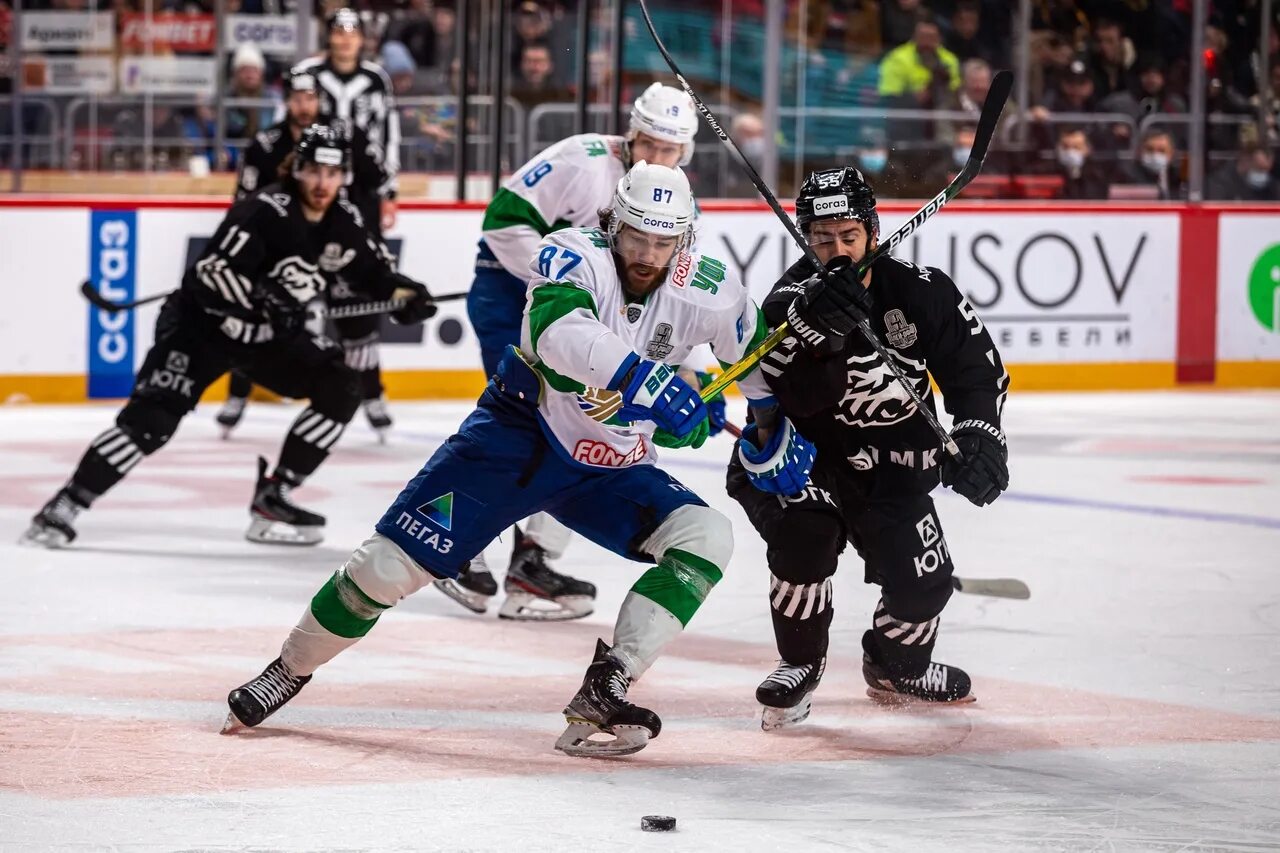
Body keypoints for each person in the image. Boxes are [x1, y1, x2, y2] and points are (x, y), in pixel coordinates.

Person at [223, 163, 776, 759]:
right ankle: (289, 668)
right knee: (382, 570)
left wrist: (776, 432)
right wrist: (649, 382)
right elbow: (557, 335)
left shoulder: (713, 289)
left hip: (608, 465)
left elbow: (762, 366)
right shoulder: (569, 252)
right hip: (516, 440)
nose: (646, 254)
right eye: (635, 235)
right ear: (612, 223)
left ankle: (610, 682)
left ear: (685, 239)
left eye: (663, 241)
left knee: (707, 537)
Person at [21, 127, 437, 550]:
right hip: (199, 330)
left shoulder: (343, 221)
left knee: (342, 386)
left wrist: (405, 295)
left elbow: (374, 274)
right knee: (153, 422)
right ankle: (65, 504)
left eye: (332, 173)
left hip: (265, 338)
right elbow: (208, 277)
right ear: (297, 168)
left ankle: (274, 496)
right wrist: (261, 298)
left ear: (345, 176)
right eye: (314, 170)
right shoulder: (264, 210)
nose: (322, 183)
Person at [726, 167, 1010, 731]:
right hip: (807, 462)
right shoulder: (786, 306)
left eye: (848, 237)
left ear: (873, 233)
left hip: (894, 469)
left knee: (923, 584)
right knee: (805, 538)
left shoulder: (920, 290)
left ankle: (894, 664)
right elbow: (801, 401)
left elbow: (975, 370)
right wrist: (823, 338)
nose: (836, 251)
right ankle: (799, 662)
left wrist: (981, 436)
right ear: (804, 236)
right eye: (822, 239)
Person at [452, 82, 710, 623]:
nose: (658, 157)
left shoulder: (673, 199)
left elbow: (676, 288)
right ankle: (458, 539)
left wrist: (683, 363)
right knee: (524, 421)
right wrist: (566, 286)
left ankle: (533, 560)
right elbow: (503, 220)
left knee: (584, 430)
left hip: (591, 317)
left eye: (671, 151)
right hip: (515, 296)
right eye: (650, 144)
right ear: (631, 133)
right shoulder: (583, 158)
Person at [217, 71, 396, 437]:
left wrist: (358, 225)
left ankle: (373, 395)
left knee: (357, 320)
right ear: (286, 101)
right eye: (297, 98)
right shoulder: (266, 144)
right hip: (284, 248)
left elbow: (377, 178)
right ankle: (237, 393)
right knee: (255, 313)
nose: (304, 106)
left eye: (310, 97)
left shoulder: (345, 136)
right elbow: (245, 201)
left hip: (336, 242)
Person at [292, 8, 404, 437]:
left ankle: (371, 391)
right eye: (337, 32)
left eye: (351, 33)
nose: (343, 40)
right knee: (287, 286)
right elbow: (287, 127)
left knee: (361, 291)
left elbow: (388, 134)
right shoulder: (306, 72)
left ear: (362, 40)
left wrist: (389, 191)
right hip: (310, 193)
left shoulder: (376, 79)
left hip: (359, 197)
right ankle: (244, 389)